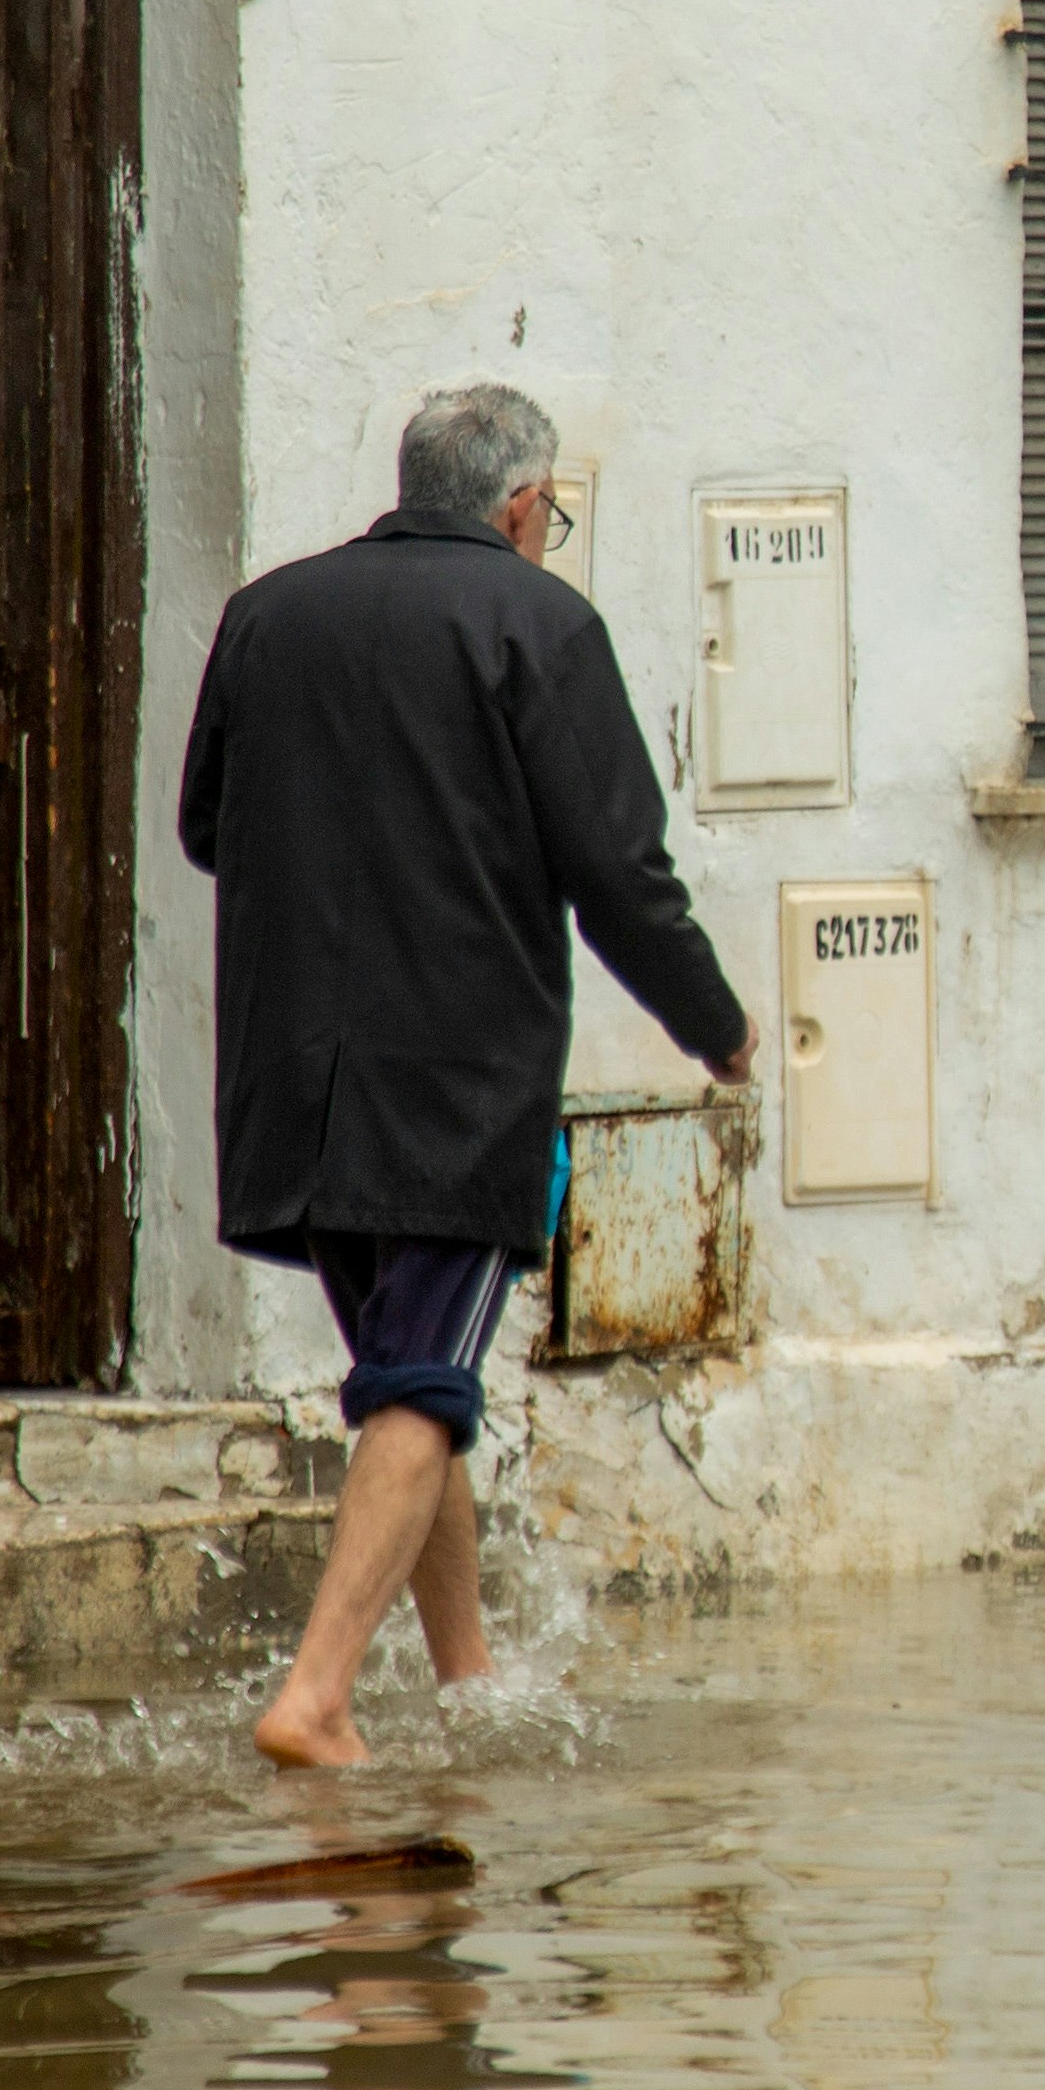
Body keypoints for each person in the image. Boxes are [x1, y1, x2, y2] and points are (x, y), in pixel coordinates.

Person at [178, 380, 754, 1767]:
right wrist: (717, 1028)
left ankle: (467, 1678)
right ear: (521, 505)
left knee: (406, 1375)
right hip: (455, 1085)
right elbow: (621, 874)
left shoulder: (265, 616)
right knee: (424, 1381)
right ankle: (316, 1696)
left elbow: (207, 829)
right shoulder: (538, 623)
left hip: (295, 1082)